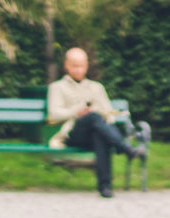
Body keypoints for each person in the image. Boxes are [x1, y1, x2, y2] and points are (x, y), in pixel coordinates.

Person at [47, 47, 146, 198]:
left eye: (81, 66)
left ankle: (105, 187)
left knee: (98, 131)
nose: (78, 70)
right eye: (74, 66)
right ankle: (124, 148)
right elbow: (54, 114)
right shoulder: (57, 88)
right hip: (73, 134)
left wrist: (98, 114)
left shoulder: (96, 88)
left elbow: (109, 115)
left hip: (95, 132)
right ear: (66, 65)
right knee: (93, 118)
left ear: (86, 65)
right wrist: (77, 111)